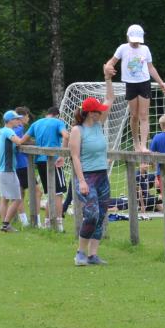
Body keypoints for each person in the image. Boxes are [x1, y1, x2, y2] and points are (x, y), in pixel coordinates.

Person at [104, 24, 165, 152]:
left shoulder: (145, 49)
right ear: (128, 37)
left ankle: (144, 145)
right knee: (134, 115)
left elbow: (150, 67)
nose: (135, 43)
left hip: (144, 83)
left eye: (137, 41)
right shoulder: (123, 48)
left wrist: (161, 82)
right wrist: (108, 67)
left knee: (144, 115)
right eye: (133, 40)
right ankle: (136, 142)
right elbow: (111, 62)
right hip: (130, 84)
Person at [69, 94, 114, 266]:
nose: (100, 113)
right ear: (90, 113)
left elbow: (110, 99)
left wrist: (108, 80)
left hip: (102, 176)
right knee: (92, 214)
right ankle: (80, 253)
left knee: (101, 215)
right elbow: (75, 156)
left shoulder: (98, 125)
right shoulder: (77, 130)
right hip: (87, 177)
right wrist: (81, 181)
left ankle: (93, 255)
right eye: (97, 111)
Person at [26, 106, 69, 231]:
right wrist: (62, 155)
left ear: (47, 113)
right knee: (58, 193)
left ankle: (47, 223)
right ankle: (58, 225)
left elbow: (23, 139)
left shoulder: (36, 123)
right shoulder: (58, 122)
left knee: (50, 192)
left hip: (40, 161)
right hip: (53, 161)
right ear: (57, 115)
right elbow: (66, 136)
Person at [0, 110, 30, 233]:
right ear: (10, 121)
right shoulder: (9, 131)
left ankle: (4, 224)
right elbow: (19, 141)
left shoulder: (0, 131)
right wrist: (29, 134)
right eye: (16, 119)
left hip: (1, 170)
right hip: (8, 170)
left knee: (4, 198)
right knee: (17, 199)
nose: (18, 121)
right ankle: (6, 224)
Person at [13, 106, 33, 226]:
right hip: (21, 165)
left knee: (20, 193)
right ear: (22, 117)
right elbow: (18, 141)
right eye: (27, 116)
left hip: (18, 164)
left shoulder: (17, 128)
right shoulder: (19, 128)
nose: (28, 118)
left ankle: (23, 220)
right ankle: (31, 221)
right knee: (37, 191)